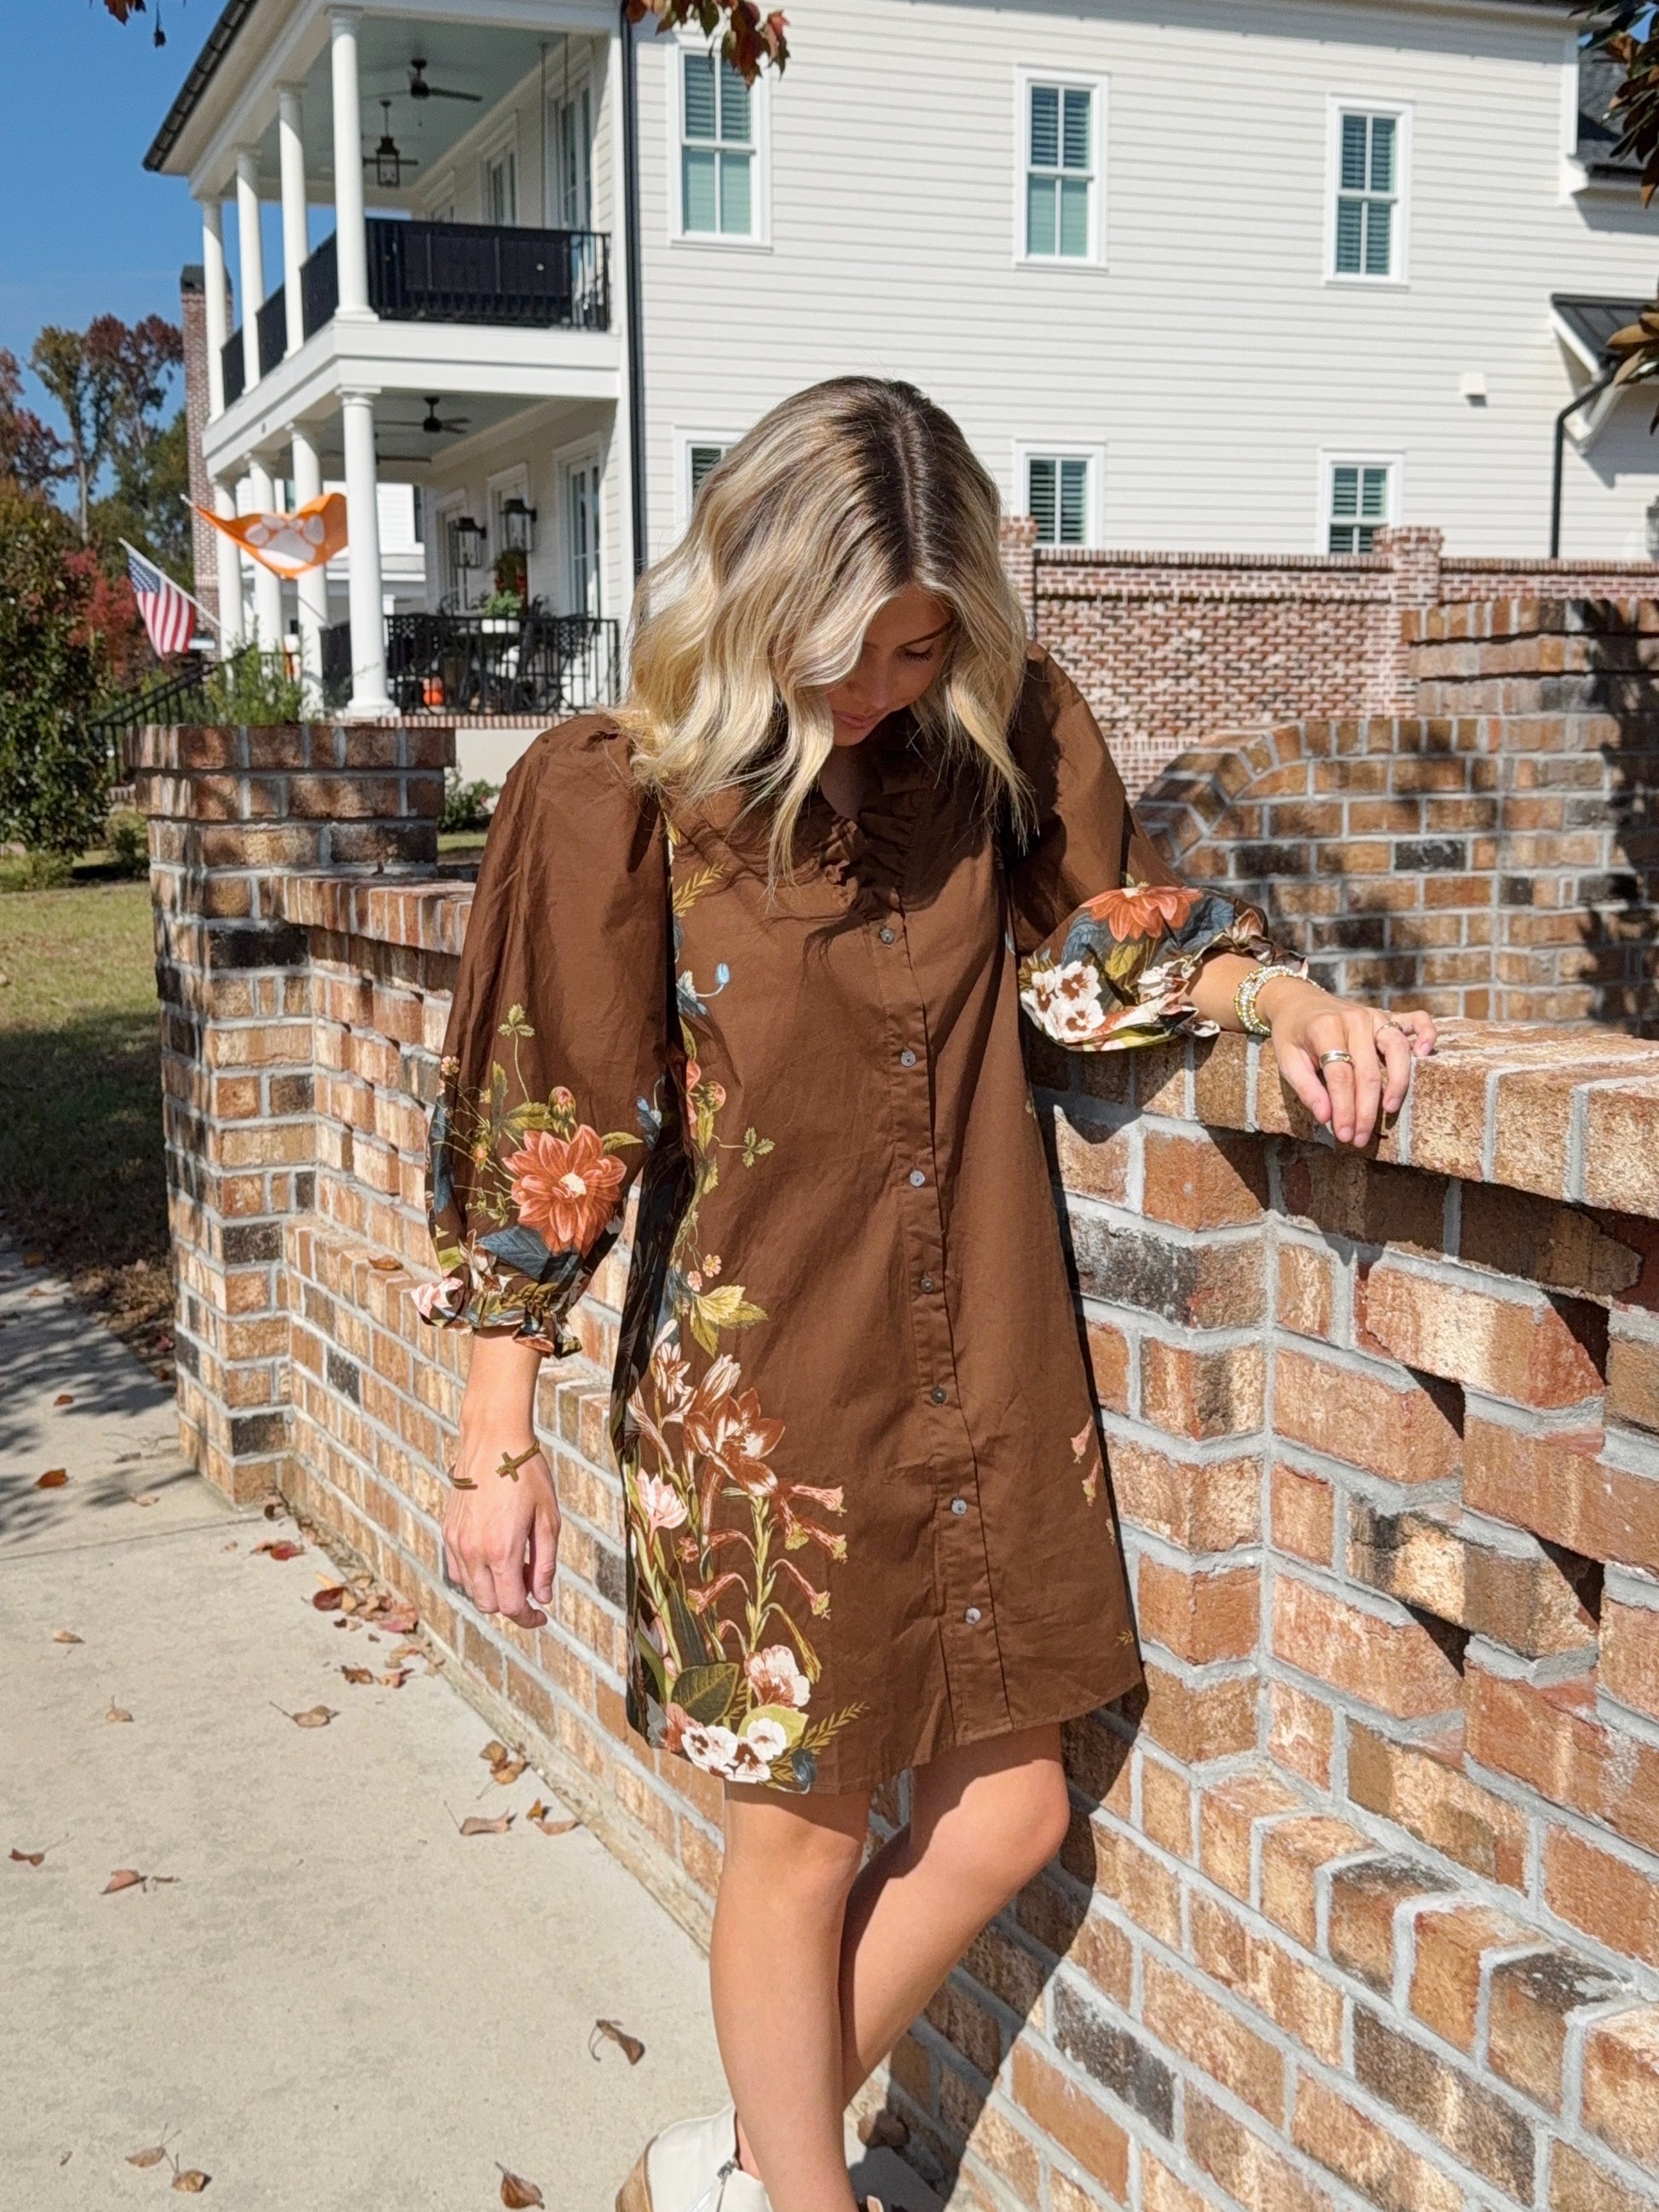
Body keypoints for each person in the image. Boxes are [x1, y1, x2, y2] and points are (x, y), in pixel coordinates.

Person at [420, 378, 1435, 2212]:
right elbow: (557, 1125)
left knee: (1013, 1810)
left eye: (912, 646)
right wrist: (499, 1435)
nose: (874, 688)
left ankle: (735, 2168)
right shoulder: (623, 794)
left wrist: (1277, 998)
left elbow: (1089, 945)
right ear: (753, 598)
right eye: (841, 648)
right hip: (766, 1398)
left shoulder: (992, 739)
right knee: (802, 1842)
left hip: (981, 1363)